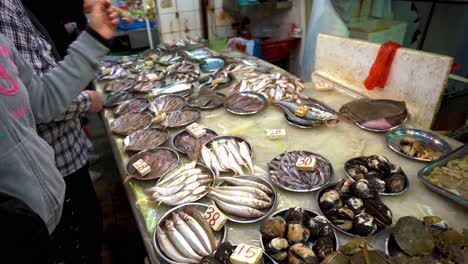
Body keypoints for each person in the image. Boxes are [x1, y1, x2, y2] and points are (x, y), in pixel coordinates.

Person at [0, 0, 118, 262]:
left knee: (88, 240)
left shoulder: (10, 7)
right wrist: (87, 101)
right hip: (20, 218)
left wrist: (96, 37)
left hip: (52, 192)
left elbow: (40, 99)